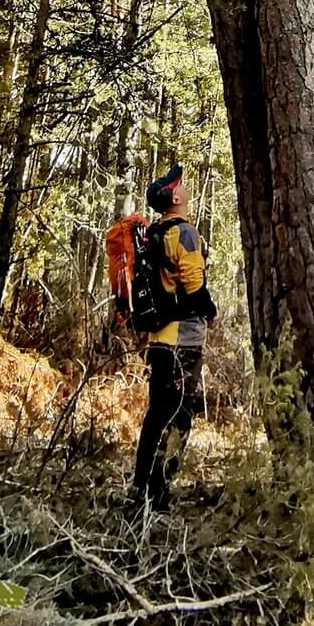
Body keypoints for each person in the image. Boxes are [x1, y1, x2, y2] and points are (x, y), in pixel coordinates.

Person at [130, 163, 214, 511]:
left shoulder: (154, 232)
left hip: (159, 341)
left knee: (156, 415)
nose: (188, 189)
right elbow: (194, 286)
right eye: (183, 186)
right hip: (183, 342)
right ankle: (158, 494)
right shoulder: (185, 233)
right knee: (179, 417)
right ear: (175, 196)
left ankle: (141, 488)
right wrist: (211, 311)